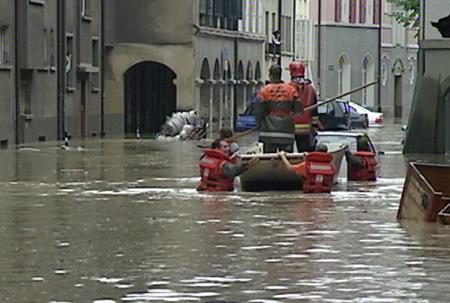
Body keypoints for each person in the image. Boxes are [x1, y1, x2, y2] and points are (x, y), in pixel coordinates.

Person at [255, 64, 303, 153]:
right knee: (286, 157)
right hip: (286, 130)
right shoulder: (291, 90)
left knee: (269, 158)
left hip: (269, 131)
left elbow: (259, 111)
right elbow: (298, 109)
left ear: (271, 75)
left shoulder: (264, 91)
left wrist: (259, 125)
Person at [288, 61, 319, 152]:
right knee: (304, 155)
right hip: (305, 129)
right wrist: (314, 128)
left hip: (290, 128)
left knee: (288, 156)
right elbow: (315, 113)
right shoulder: (311, 89)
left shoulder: (288, 88)